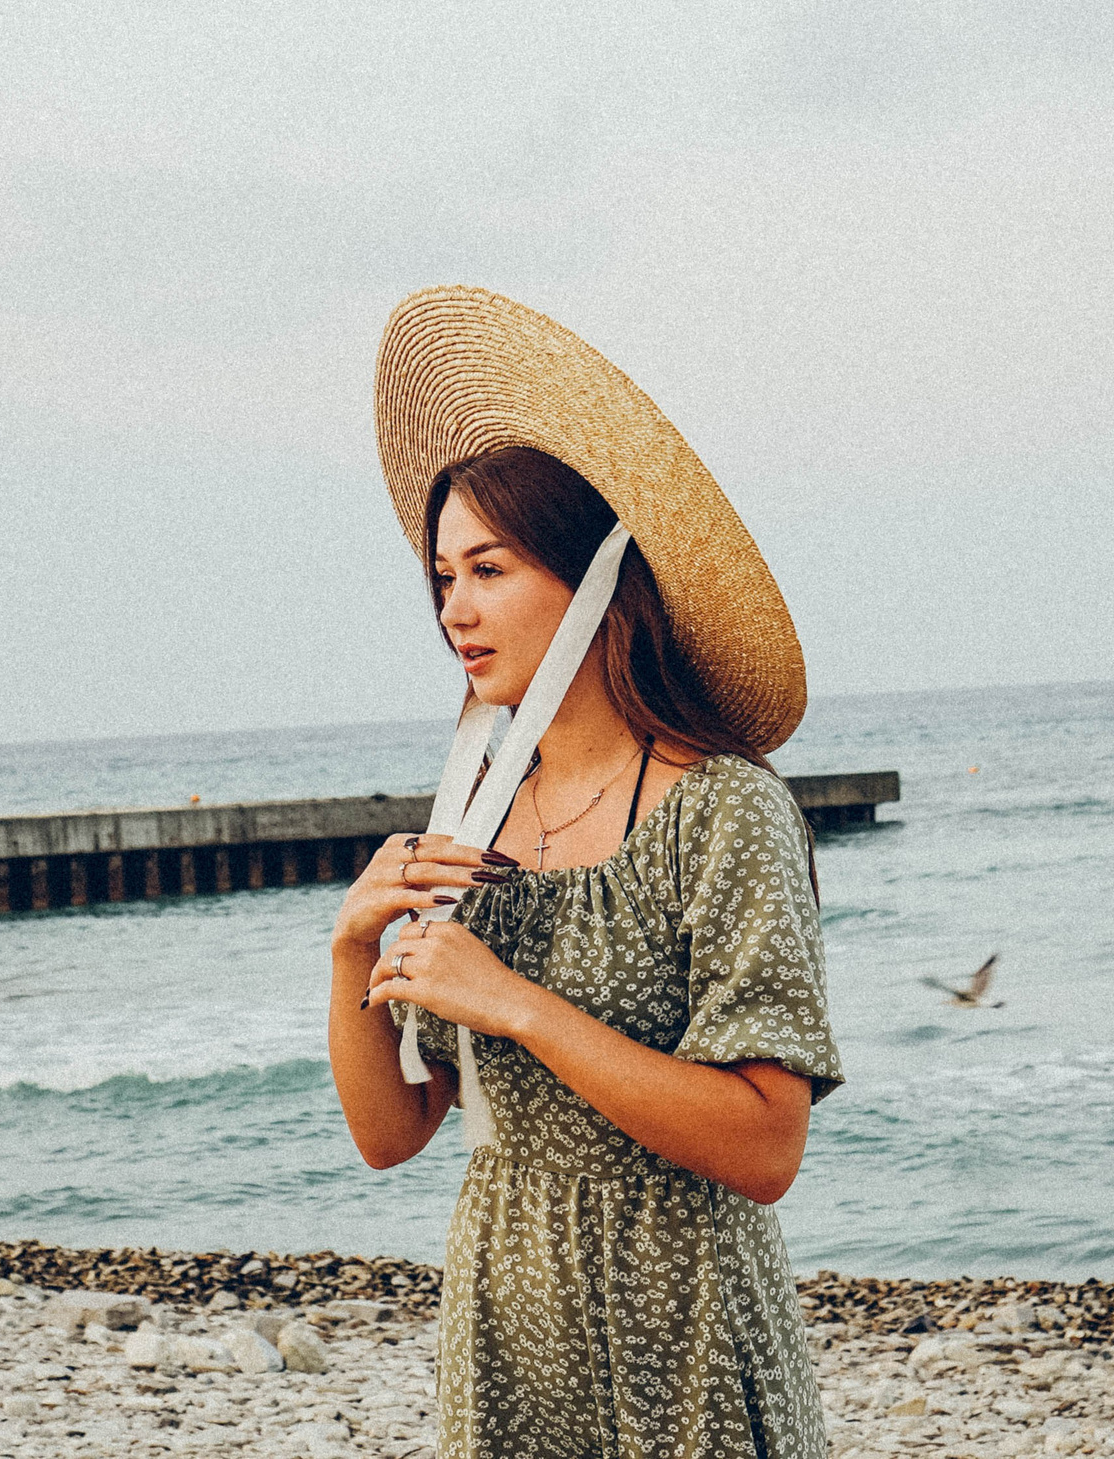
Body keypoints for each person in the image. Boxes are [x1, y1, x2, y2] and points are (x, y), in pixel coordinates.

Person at [329, 288, 841, 1459]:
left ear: (600, 577)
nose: (455, 608)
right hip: (507, 1327)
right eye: (442, 577)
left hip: (687, 1325)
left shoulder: (722, 809)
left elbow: (765, 1148)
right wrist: (350, 949)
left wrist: (512, 1002)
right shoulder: (474, 809)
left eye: (490, 569)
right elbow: (393, 1131)